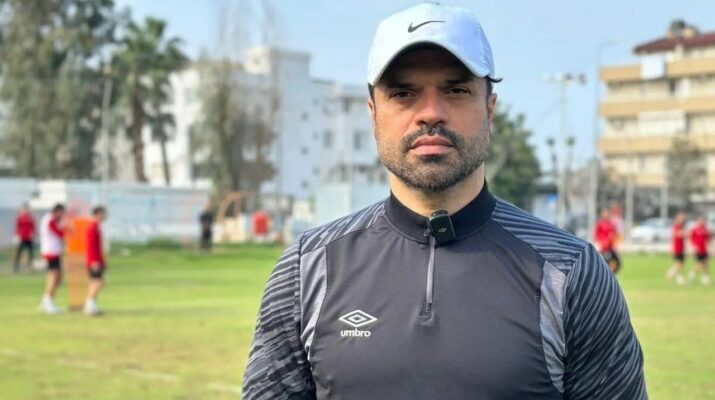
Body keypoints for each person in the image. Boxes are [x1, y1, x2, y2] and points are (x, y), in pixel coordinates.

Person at [243, 4, 646, 399]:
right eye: (403, 92)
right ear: (373, 114)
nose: (431, 113)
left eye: (455, 90)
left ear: (490, 109)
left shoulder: (571, 271)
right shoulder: (307, 269)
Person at [38, 204, 67, 314]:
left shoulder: (52, 220)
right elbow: (60, 233)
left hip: (54, 252)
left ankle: (47, 300)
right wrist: (67, 228)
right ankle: (48, 302)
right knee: (54, 277)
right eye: (61, 213)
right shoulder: (50, 220)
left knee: (58, 278)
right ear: (57, 211)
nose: (62, 216)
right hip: (51, 252)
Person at [84, 206, 108, 316]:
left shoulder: (96, 227)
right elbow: (91, 246)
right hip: (94, 260)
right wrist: (94, 261)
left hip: (97, 259)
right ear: (98, 214)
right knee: (99, 282)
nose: (105, 216)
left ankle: (92, 305)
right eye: (104, 214)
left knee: (95, 282)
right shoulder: (92, 227)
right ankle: (89, 304)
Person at [594, 208, 621, 273]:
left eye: (607, 214)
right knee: (605, 262)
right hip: (603, 248)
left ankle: (612, 274)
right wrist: (601, 241)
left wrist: (614, 241)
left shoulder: (611, 224)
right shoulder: (600, 224)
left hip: (610, 247)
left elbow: (615, 234)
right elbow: (596, 234)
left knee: (617, 262)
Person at [12, 202, 36, 274]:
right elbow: (17, 227)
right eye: (25, 209)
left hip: (29, 238)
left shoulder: (31, 218)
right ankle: (16, 266)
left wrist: (34, 234)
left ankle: (29, 265)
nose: (26, 210)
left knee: (30, 252)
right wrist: (17, 236)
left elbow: (33, 227)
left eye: (27, 209)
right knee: (18, 252)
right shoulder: (20, 217)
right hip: (22, 237)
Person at [688, 215, 711, 285]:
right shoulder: (695, 229)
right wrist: (694, 247)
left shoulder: (705, 229)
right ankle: (692, 274)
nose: (702, 222)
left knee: (706, 264)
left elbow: (709, 238)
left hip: (704, 249)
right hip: (698, 250)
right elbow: (691, 238)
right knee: (700, 264)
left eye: (703, 220)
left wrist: (709, 245)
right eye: (700, 220)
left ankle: (704, 277)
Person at [666, 212, 687, 284]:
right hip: (677, 248)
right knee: (679, 264)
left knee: (681, 264)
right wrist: (684, 233)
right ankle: (671, 273)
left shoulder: (681, 226)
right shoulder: (676, 226)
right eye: (681, 218)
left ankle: (677, 276)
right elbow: (678, 234)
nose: (683, 220)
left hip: (681, 248)